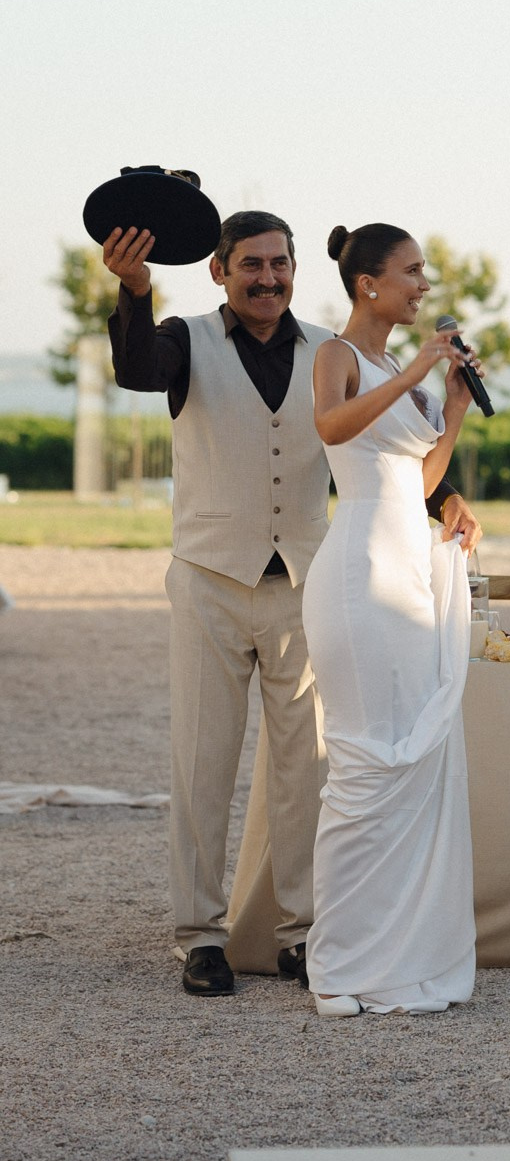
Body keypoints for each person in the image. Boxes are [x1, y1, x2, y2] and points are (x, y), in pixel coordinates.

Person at [104, 211, 481, 999]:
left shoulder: (331, 351)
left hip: (309, 584)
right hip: (211, 578)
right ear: (219, 271)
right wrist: (135, 292)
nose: (268, 278)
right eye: (251, 265)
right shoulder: (185, 341)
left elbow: (376, 446)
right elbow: (136, 368)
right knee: (204, 763)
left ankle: (303, 932)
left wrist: (444, 498)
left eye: (280, 264)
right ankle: (200, 936)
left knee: (306, 767)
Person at [302, 223, 481, 1019]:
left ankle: (400, 958)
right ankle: (337, 963)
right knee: (366, 762)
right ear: (368, 282)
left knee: (413, 757)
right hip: (359, 570)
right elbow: (333, 430)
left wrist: (451, 408)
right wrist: (417, 366)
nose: (424, 285)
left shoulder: (406, 380)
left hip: (411, 564)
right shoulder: (338, 355)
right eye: (412, 272)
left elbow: (418, 476)